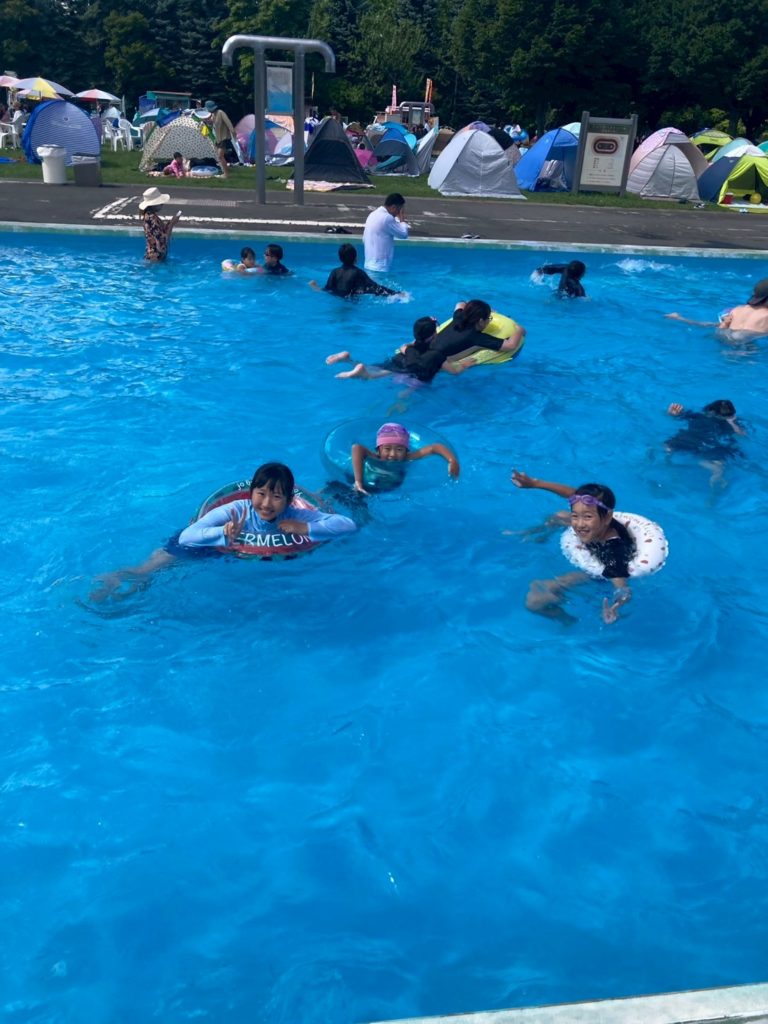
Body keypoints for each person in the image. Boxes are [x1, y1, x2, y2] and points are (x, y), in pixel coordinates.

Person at [90, 462, 357, 600]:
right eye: (261, 494)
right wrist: (222, 534)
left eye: (276, 496)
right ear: (250, 493)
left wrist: (304, 527)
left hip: (235, 552)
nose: (266, 503)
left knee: (166, 575)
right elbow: (187, 536)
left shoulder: (295, 513)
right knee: (152, 569)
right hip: (205, 545)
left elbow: (347, 524)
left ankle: (132, 583)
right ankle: (119, 579)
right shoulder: (236, 509)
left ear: (288, 500)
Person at [511, 471, 635, 624]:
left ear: (607, 517)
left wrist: (616, 606)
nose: (579, 524)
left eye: (588, 516)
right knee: (560, 516)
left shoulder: (612, 551)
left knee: (535, 601)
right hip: (595, 540)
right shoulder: (595, 519)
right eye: (575, 515)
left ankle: (567, 620)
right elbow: (571, 493)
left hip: (596, 573)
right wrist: (535, 483)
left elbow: (622, 588)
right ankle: (534, 535)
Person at [327, 302, 525, 383]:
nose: (489, 322)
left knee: (389, 366)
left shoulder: (458, 318)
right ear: (480, 322)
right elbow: (510, 346)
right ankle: (360, 370)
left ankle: (349, 360)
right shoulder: (477, 336)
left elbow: (460, 303)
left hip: (416, 348)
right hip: (430, 359)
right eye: (487, 319)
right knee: (392, 374)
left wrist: (486, 311)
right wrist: (519, 330)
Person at [350, 421, 460, 494]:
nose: (392, 454)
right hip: (368, 482)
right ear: (378, 449)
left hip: (388, 488)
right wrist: (358, 481)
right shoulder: (375, 456)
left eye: (399, 449)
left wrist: (452, 460)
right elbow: (356, 448)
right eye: (387, 449)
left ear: (406, 451)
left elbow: (434, 447)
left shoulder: (407, 457)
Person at [665, 399, 745, 486]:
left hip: (689, 439)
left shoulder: (698, 416)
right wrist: (732, 422)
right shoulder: (729, 425)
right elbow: (742, 435)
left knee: (668, 445)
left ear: (710, 411)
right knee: (718, 459)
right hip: (710, 444)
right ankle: (716, 471)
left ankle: (668, 459)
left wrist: (672, 413)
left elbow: (679, 416)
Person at [665, 279, 768, 335]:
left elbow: (713, 325)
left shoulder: (737, 310)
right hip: (744, 342)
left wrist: (681, 318)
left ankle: (677, 318)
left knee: (717, 325)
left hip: (723, 336)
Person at [310, 243, 402, 298]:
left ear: (340, 258)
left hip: (337, 298)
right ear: (355, 258)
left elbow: (327, 290)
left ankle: (314, 286)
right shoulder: (358, 272)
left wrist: (316, 287)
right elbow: (376, 288)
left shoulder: (334, 272)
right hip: (351, 302)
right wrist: (396, 293)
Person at [363, 192, 409, 272]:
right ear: (393, 207)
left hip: (368, 264)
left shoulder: (372, 214)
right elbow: (404, 234)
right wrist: (401, 218)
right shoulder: (387, 218)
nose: (397, 214)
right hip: (380, 268)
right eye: (398, 210)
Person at [139, 187, 181, 262]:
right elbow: (163, 240)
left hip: (153, 256)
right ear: (153, 204)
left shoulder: (150, 215)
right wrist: (172, 223)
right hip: (155, 258)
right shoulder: (151, 219)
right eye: (160, 202)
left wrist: (171, 222)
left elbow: (161, 232)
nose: (162, 204)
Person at [204, 99, 237, 179]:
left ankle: (226, 174)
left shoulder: (220, 113)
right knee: (219, 156)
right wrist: (205, 121)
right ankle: (224, 171)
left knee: (220, 156)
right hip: (218, 139)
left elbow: (228, 123)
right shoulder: (213, 115)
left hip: (224, 137)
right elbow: (212, 124)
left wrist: (233, 133)